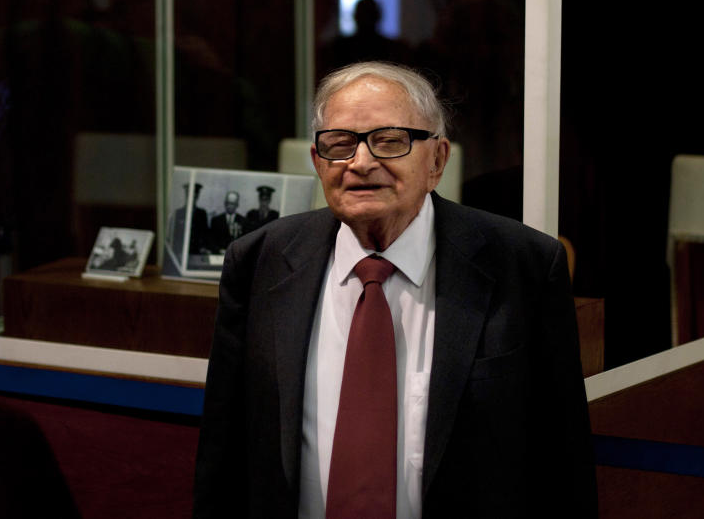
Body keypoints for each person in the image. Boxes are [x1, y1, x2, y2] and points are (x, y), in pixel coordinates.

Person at [194, 62, 597, 518]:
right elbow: (223, 455)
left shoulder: (523, 266)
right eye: (340, 144)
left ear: (437, 160)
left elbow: (563, 464)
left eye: (389, 141)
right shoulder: (259, 261)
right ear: (317, 161)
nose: (361, 163)